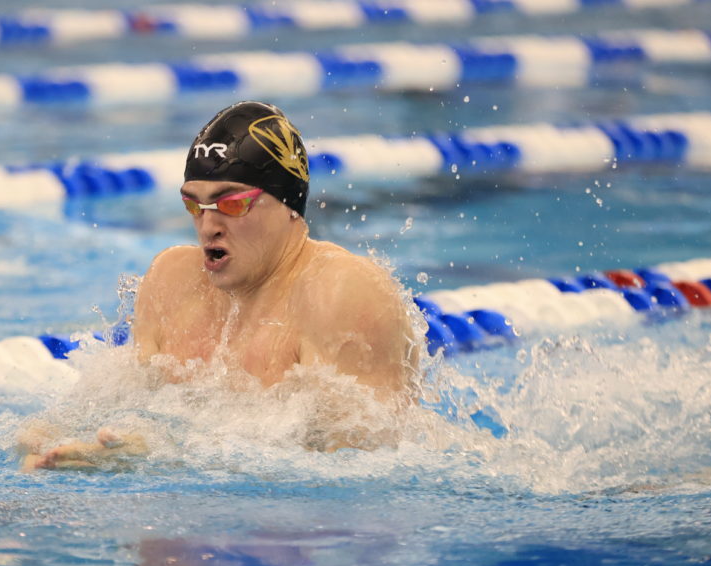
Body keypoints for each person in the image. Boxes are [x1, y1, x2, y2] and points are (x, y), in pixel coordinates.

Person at [21, 101, 418, 470]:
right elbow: (122, 406)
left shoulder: (341, 292)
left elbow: (358, 470)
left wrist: (162, 460)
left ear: (288, 205)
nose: (208, 225)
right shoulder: (171, 279)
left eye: (231, 204)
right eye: (195, 204)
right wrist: (59, 437)